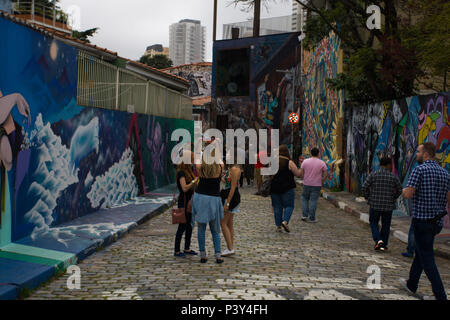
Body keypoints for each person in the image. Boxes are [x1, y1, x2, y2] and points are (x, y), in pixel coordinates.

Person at [400, 142, 449, 301]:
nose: (417, 154)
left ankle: (440, 295)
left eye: (419, 151)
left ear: (426, 154)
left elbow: (408, 194)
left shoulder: (419, 170)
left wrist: (403, 190)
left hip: (422, 221)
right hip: (437, 222)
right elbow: (448, 198)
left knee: (427, 257)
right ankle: (411, 284)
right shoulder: (445, 173)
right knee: (421, 253)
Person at [362, 155, 402, 251]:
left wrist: (368, 197)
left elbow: (364, 187)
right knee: (386, 225)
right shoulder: (393, 177)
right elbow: (400, 189)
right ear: (388, 165)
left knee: (373, 222)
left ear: (380, 165)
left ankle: (378, 240)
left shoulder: (373, 175)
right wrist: (393, 198)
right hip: (388, 205)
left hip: (375, 204)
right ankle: (383, 244)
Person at [191, 150, 225, 264]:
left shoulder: (200, 168)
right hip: (214, 198)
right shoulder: (220, 167)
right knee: (215, 229)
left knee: (201, 228)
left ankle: (203, 254)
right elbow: (220, 161)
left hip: (201, 197)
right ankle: (218, 255)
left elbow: (197, 162)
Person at [270, 145, 302, 232]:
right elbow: (298, 174)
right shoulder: (289, 162)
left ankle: (278, 226)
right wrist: (302, 168)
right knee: (289, 206)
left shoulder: (272, 162)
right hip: (287, 188)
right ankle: (285, 221)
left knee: (277, 206)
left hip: (274, 188)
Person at [174, 150, 198, 257]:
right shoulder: (181, 173)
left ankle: (187, 248)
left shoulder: (189, 171)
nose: (193, 161)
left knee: (189, 225)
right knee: (182, 226)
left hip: (190, 201)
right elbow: (184, 188)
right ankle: (177, 250)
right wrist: (193, 182)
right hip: (183, 202)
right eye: (192, 159)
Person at [299, 147, 328, 223]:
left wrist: (303, 178)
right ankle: (312, 218)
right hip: (316, 185)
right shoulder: (321, 162)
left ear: (311, 153)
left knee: (304, 198)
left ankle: (304, 215)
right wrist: (322, 180)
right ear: (318, 153)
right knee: (313, 200)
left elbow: (301, 172)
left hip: (306, 183)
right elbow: (325, 173)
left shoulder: (305, 161)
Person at [220, 158, 241, 256]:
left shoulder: (234, 169)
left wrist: (227, 203)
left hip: (231, 197)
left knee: (223, 223)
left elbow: (233, 187)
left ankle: (230, 248)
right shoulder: (231, 169)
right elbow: (226, 181)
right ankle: (230, 246)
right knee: (229, 224)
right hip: (228, 195)